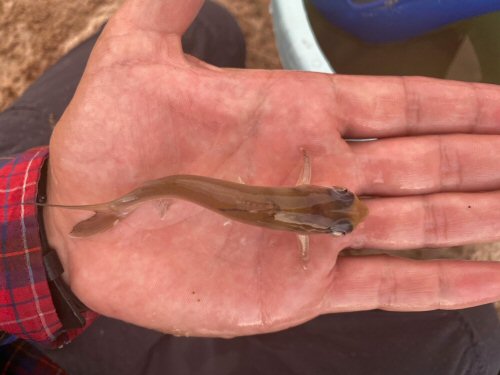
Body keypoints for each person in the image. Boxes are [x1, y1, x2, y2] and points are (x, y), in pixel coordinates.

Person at [1, 0, 499, 373]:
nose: (347, 199)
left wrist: (42, 228)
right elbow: (307, 197)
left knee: (206, 25)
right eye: (343, 204)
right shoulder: (304, 219)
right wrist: (59, 243)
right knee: (475, 344)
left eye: (340, 205)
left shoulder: (305, 199)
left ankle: (57, 214)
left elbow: (307, 175)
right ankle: (66, 216)